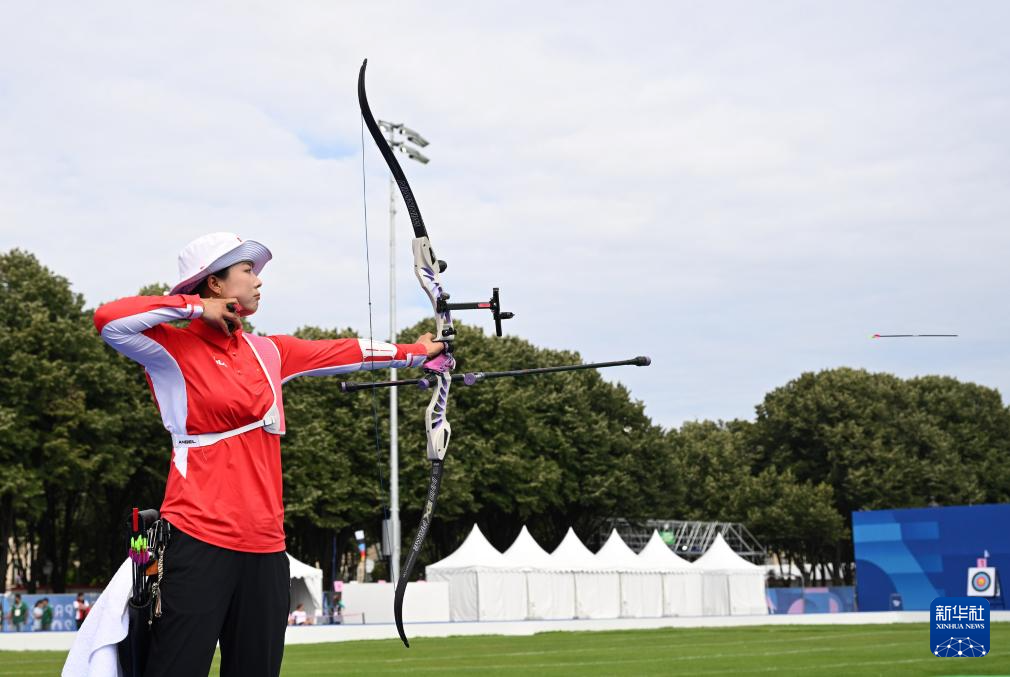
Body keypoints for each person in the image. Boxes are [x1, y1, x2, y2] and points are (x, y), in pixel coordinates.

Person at [92, 233, 443, 677]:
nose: (258, 280)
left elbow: (345, 351)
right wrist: (196, 308)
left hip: (266, 548)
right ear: (215, 283)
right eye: (247, 271)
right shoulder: (169, 348)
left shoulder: (269, 351)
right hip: (197, 539)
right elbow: (108, 319)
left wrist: (418, 354)